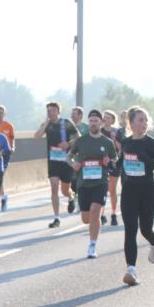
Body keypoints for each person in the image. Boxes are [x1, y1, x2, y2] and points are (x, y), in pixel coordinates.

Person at [116, 106, 154, 287]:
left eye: (146, 120)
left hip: (147, 191)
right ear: (131, 123)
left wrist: (147, 160)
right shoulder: (126, 142)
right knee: (130, 229)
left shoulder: (152, 143)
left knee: (145, 230)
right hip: (129, 191)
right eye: (140, 120)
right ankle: (132, 270)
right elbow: (120, 164)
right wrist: (110, 165)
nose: (144, 124)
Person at [68, 110, 116, 258]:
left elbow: (115, 161)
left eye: (96, 120)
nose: (93, 123)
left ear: (101, 123)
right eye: (91, 121)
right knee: (86, 218)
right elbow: (68, 157)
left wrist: (110, 163)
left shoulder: (107, 143)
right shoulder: (81, 141)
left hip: (100, 182)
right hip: (83, 183)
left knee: (95, 210)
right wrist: (73, 164)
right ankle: (93, 225)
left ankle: (92, 245)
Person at [34, 102, 80, 228]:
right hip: (53, 161)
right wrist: (45, 125)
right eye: (49, 111)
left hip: (65, 161)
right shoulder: (46, 124)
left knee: (65, 190)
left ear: (58, 111)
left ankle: (71, 198)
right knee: (54, 187)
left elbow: (78, 137)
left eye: (53, 110)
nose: (51, 113)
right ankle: (56, 218)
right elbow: (36, 136)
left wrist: (69, 144)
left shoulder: (67, 122)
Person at [102, 110, 122, 226]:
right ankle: (102, 214)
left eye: (108, 117)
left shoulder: (117, 132)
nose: (105, 119)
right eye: (104, 117)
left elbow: (120, 148)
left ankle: (114, 214)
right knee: (102, 189)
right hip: (102, 163)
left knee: (112, 190)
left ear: (113, 120)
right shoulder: (100, 131)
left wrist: (114, 139)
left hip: (114, 163)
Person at [0, 105, 16, 211]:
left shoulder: (8, 126)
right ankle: (3, 196)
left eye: (1, 113)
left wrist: (12, 147)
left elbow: (12, 138)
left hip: (5, 154)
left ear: (4, 114)